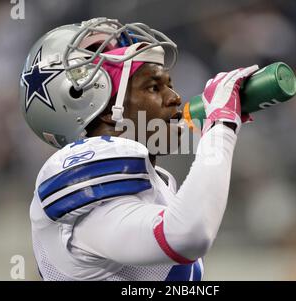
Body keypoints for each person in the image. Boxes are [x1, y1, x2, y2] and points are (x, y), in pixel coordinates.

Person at [20, 17, 258, 281]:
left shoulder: (156, 183)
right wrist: (221, 126)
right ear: (107, 109)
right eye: (154, 87)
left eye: (170, 84)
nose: (175, 98)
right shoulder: (79, 170)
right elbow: (189, 234)